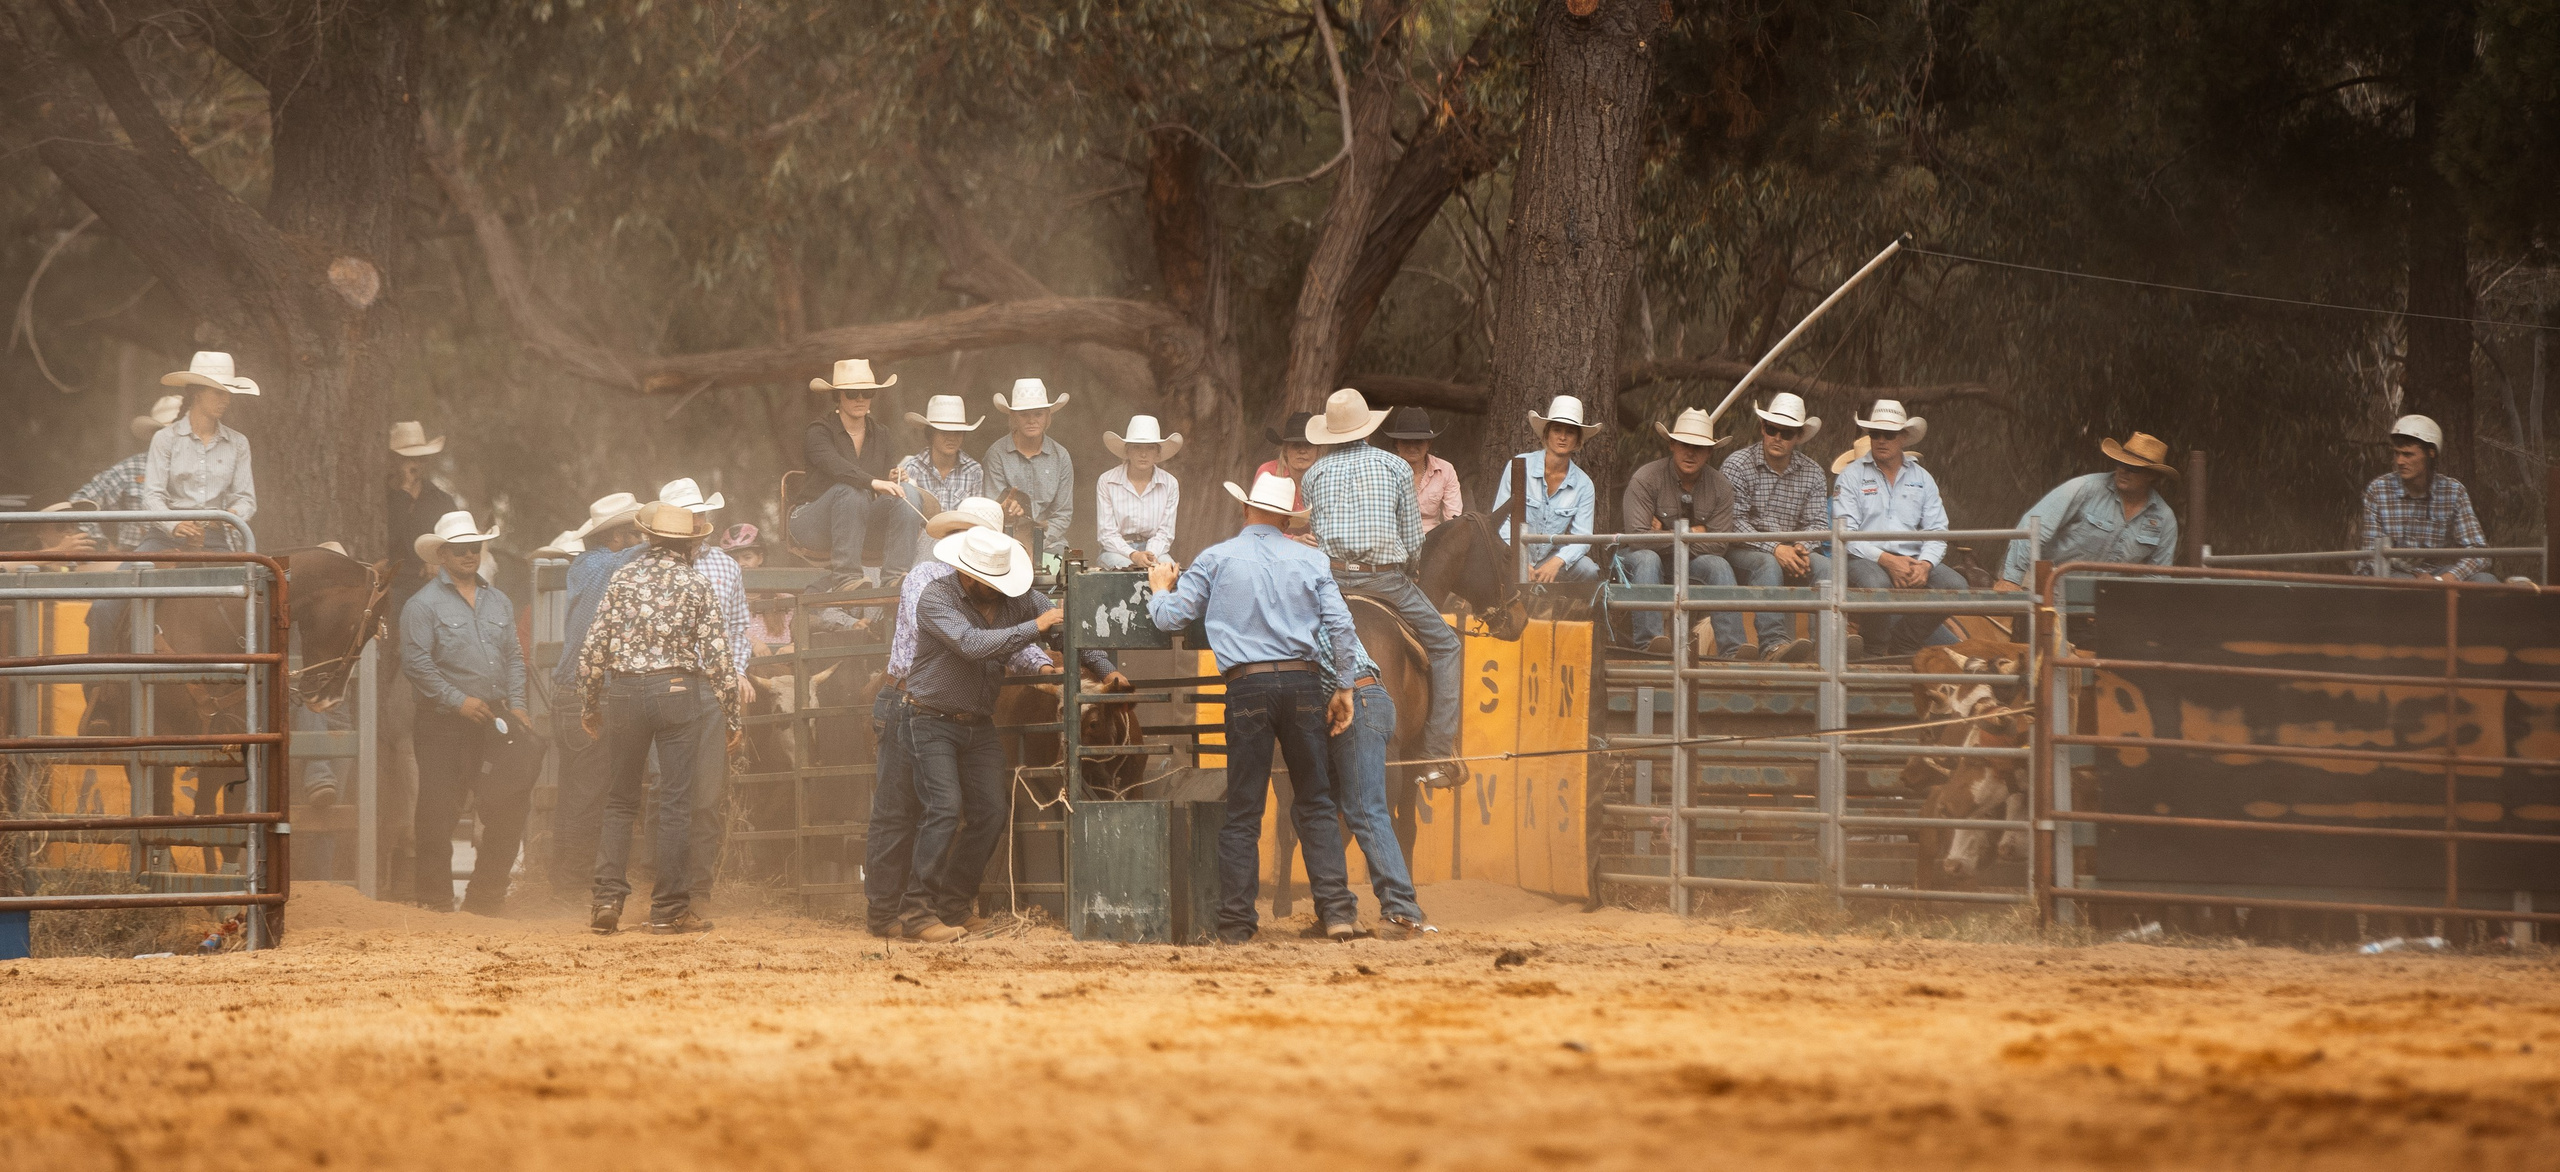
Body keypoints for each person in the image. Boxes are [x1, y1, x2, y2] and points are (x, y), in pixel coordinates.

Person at [1145, 473, 1363, 944]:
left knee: (1244, 808)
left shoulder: (1217, 558)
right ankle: (1338, 912)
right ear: (1286, 519)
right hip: (1304, 682)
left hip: (1247, 685)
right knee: (1316, 799)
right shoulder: (1311, 559)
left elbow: (1171, 618)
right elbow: (1341, 627)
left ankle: (1237, 923)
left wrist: (1160, 586)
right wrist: (1343, 687)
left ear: (1245, 510)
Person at [899, 527, 1119, 942]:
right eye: (991, 583)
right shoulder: (937, 598)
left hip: (977, 723)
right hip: (931, 720)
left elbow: (1064, 628)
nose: (1000, 590)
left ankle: (955, 905)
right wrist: (1036, 624)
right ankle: (916, 911)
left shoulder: (1014, 598)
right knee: (945, 809)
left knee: (991, 812)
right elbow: (971, 644)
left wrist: (1106, 668)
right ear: (968, 575)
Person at [866, 497, 1054, 939]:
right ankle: (890, 914)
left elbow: (1008, 635)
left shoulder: (999, 586)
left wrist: (1042, 659)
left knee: (944, 810)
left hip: (948, 704)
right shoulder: (928, 581)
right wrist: (1033, 633)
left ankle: (933, 908)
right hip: (912, 697)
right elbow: (974, 641)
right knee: (902, 812)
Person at [577, 502, 738, 935]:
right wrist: (733, 717)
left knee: (621, 800)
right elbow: (719, 657)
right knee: (675, 802)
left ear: (648, 538)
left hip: (625, 692)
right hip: (676, 692)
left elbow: (593, 649)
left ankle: (607, 899)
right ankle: (668, 908)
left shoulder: (623, 578)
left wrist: (590, 703)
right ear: (689, 545)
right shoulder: (695, 583)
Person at [1300, 388, 1463, 786]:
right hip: (1386, 579)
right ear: (1367, 430)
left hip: (1331, 580)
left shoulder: (1313, 474)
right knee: (1447, 646)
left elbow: (1316, 533)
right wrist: (1409, 570)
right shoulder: (1395, 467)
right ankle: (1438, 751)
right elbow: (1412, 539)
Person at [398, 511, 530, 914]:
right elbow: (417, 664)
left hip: (494, 716)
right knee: (438, 809)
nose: (469, 554)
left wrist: (519, 705)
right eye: (460, 549)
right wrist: (458, 700)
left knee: (508, 807)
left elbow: (513, 658)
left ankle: (486, 897)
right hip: (443, 722)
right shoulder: (422, 605)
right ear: (442, 555)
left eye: (475, 547)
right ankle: (435, 899)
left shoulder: (499, 601)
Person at [545, 492, 646, 898]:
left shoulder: (588, 566)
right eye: (634, 531)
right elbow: (630, 559)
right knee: (588, 796)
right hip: (590, 695)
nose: (640, 538)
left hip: (576, 694)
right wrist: (663, 537)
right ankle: (570, 887)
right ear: (618, 537)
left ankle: (563, 883)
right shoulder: (601, 564)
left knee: (577, 794)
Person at [658, 477, 753, 904]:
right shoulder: (653, 567)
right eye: (689, 515)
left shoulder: (725, 567)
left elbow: (737, 627)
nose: (698, 521)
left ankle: (697, 888)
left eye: (700, 514)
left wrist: (734, 673)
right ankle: (665, 885)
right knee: (667, 788)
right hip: (666, 686)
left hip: (711, 687)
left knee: (707, 792)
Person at [1311, 626, 1437, 939]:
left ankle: (1402, 912)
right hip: (1368, 698)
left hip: (1357, 702)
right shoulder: (1315, 589)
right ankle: (1339, 910)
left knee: (1365, 810)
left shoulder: (1290, 601)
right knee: (1353, 810)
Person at [1619, 407, 1753, 659]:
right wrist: (1693, 534)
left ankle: (1733, 651)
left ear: (1710, 451)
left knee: (1718, 564)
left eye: (1699, 447)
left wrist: (1664, 533)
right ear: (1671, 444)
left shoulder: (1721, 486)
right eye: (1683, 444)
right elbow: (1637, 538)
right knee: (1647, 558)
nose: (1690, 452)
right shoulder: (1646, 478)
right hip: (1640, 562)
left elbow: (1718, 545)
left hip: (1691, 564)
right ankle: (1650, 646)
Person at [1834, 400, 1965, 658]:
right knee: (1877, 582)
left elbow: (1937, 529)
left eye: (1889, 434)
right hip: (1865, 557)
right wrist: (1887, 560)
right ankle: (1874, 649)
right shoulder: (1850, 476)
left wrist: (1926, 564)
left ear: (1904, 437)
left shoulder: (1923, 478)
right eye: (1875, 434)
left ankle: (1905, 639)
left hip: (1912, 558)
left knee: (1956, 585)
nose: (1881, 440)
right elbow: (1846, 533)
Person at [1723, 392, 1843, 663]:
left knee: (1826, 567)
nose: (1778, 437)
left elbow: (1817, 523)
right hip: (1743, 549)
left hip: (1791, 549)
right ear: (1762, 429)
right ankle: (1773, 645)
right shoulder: (1737, 464)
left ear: (1798, 437)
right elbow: (1733, 522)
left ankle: (1828, 645)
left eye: (1786, 432)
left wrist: (1801, 547)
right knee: (1767, 564)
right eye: (1772, 429)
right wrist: (1776, 548)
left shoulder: (1812, 472)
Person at [789, 359, 917, 587]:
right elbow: (837, 467)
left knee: (906, 492)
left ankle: (896, 576)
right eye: (852, 392)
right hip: (812, 523)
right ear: (838, 396)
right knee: (849, 491)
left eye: (867, 392)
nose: (860, 398)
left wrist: (893, 478)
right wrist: (874, 482)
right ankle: (846, 578)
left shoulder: (882, 434)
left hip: (858, 521)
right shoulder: (818, 431)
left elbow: (885, 475)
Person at [2001, 431, 2182, 585]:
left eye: (2133, 468)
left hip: (2097, 602)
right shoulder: (2084, 488)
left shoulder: (2163, 518)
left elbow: (2157, 576)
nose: (2123, 470)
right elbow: (2031, 529)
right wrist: (2011, 581)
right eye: (2121, 463)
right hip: (2042, 586)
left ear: (2152, 475)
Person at [2356, 414, 2494, 583]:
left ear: (2431, 453)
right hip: (2392, 574)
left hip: (2436, 573)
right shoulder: (2378, 490)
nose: (2400, 461)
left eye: (2408, 455)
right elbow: (2372, 556)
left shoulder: (2453, 491)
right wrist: (2414, 582)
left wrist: (2444, 579)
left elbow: (2478, 551)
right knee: (2391, 582)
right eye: (2396, 454)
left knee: (2485, 580)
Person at [142, 351, 258, 551]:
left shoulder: (237, 443)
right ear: (197, 393)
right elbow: (152, 495)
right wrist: (174, 524)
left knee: (242, 578)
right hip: (165, 537)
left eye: (228, 394)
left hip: (213, 537)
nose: (226, 400)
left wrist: (233, 514)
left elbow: (245, 498)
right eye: (218, 393)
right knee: (129, 575)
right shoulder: (165, 438)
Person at [1489, 395, 1604, 584]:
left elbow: (1582, 537)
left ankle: (1569, 612)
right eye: (1557, 429)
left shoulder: (1584, 484)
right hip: (1511, 554)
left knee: (1588, 569)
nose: (1562, 437)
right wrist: (1518, 560)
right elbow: (1500, 521)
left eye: (1570, 432)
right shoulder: (1519, 466)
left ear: (1578, 441)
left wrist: (1557, 562)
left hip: (1549, 561)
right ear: (1546, 434)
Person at [69, 394, 180, 551]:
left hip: (187, 558)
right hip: (136, 558)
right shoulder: (130, 469)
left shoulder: (203, 470)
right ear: (154, 435)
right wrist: (105, 547)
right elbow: (80, 502)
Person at [983, 378, 1075, 556]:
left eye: (1038, 414)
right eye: (1024, 414)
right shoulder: (996, 454)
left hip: (1048, 542)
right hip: (1005, 540)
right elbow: (992, 510)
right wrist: (1006, 512)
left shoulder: (1061, 456)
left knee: (1065, 572)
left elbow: (1062, 514)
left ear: (1048, 416)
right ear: (1013, 417)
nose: (1031, 420)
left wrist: (1037, 543)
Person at [899, 395, 988, 562]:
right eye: (944, 432)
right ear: (931, 434)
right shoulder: (912, 468)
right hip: (920, 549)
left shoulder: (974, 470)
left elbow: (975, 521)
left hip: (960, 546)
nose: (952, 438)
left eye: (958, 433)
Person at [385, 421, 456, 614]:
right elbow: (387, 540)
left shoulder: (442, 501)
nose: (415, 464)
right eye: (408, 459)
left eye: (419, 458)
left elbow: (457, 543)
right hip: (391, 589)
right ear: (395, 461)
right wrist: (404, 492)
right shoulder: (382, 499)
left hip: (432, 588)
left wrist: (438, 561)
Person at [1095, 414, 1182, 569]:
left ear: (1158, 453)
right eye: (1137, 447)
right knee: (1127, 573)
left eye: (1150, 448)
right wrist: (1133, 555)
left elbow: (1165, 533)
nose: (1143, 454)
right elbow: (1106, 533)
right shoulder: (1107, 481)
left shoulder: (1170, 483)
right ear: (1127, 451)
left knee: (1170, 571)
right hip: (1118, 552)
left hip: (1155, 551)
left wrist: (1149, 554)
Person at [1380, 406, 1462, 533]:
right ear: (1397, 443)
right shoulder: (1383, 471)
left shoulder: (1445, 470)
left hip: (1434, 542)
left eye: (1418, 441)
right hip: (1394, 539)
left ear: (1428, 444)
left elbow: (1453, 518)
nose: (1412, 447)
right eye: (1406, 442)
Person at [1254, 411, 1318, 514]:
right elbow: (1258, 518)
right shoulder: (1268, 473)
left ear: (1317, 450)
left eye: (1308, 445)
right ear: (1285, 450)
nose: (1302, 451)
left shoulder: (1325, 478)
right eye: (1296, 445)